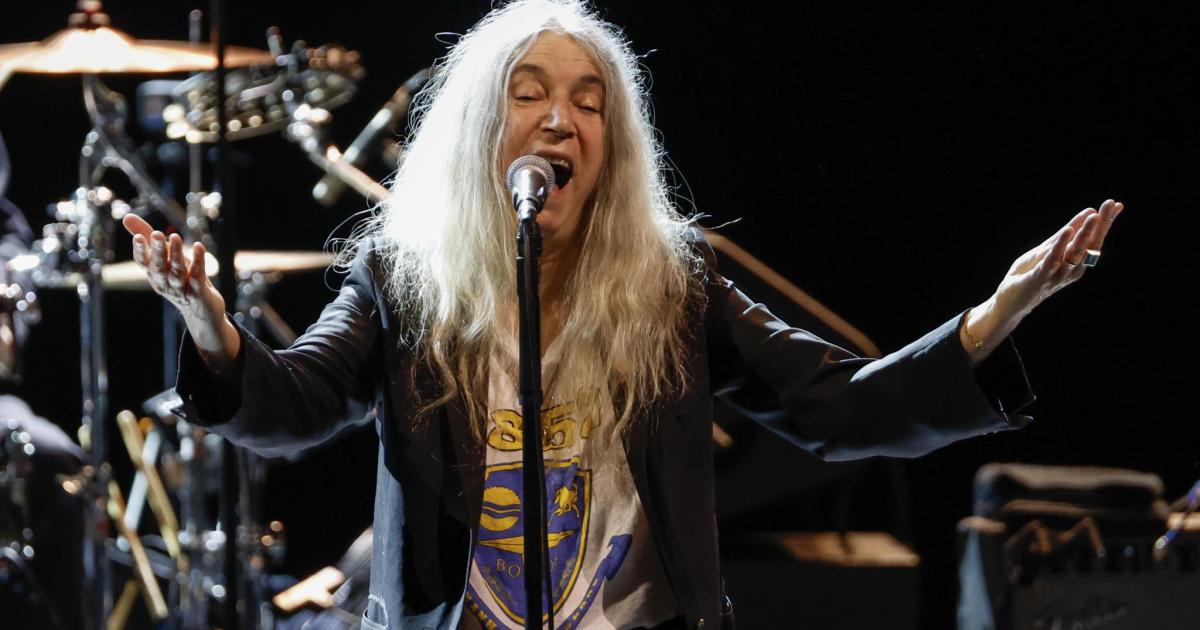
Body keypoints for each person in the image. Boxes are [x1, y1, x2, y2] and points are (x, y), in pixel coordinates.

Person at [121, 1, 1124, 628]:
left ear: (614, 144)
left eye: (590, 101)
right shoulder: (405, 279)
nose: (561, 119)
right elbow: (295, 403)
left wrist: (995, 314)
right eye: (529, 94)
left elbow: (838, 406)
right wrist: (211, 327)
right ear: (479, 131)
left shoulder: (672, 285)